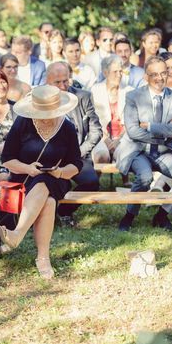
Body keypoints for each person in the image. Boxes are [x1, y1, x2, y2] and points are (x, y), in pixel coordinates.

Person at [0, 85, 82, 279]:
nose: (47, 116)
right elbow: (7, 159)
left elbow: (76, 164)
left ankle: (17, 234)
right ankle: (43, 258)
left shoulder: (67, 127)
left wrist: (60, 172)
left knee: (45, 181)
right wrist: (28, 168)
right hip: (24, 178)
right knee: (49, 201)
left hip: (57, 179)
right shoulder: (23, 122)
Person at [114, 56, 172, 231]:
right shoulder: (133, 96)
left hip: (165, 151)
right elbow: (133, 131)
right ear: (146, 76)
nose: (160, 78)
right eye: (154, 75)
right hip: (138, 150)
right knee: (145, 177)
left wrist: (151, 127)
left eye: (163, 73)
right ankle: (129, 215)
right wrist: (165, 132)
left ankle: (161, 215)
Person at [45, 62, 102, 226]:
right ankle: (50, 213)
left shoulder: (83, 96)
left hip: (78, 154)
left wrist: (79, 152)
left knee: (92, 182)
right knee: (59, 183)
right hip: (51, 156)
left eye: (66, 81)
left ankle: (64, 211)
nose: (63, 86)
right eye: (58, 82)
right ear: (47, 81)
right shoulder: (40, 99)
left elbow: (96, 130)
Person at [89, 55, 133, 184]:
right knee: (101, 154)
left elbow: (131, 122)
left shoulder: (129, 91)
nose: (119, 75)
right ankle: (94, 182)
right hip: (101, 136)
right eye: (115, 72)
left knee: (125, 151)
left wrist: (118, 140)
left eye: (121, 71)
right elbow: (93, 121)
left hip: (124, 136)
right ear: (105, 72)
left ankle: (126, 180)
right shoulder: (95, 90)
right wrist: (106, 140)